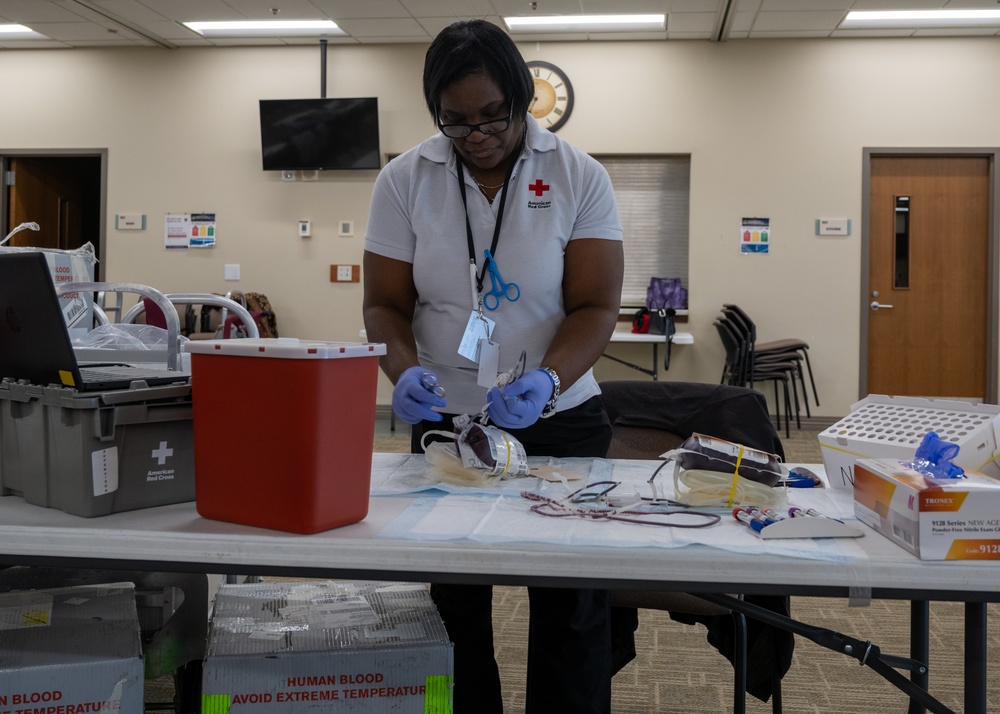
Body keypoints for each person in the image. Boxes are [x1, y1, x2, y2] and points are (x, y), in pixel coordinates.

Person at [362, 19, 624, 714]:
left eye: (491, 117)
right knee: (453, 604)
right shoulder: (404, 180)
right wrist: (403, 372)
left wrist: (548, 380)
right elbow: (385, 304)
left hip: (561, 422)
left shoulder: (577, 175)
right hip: (451, 423)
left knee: (570, 607)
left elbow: (596, 305)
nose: (476, 135)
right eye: (455, 122)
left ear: (520, 99)